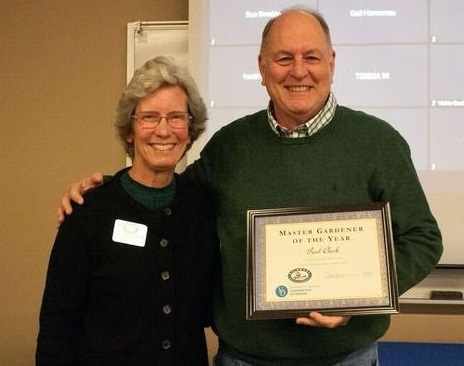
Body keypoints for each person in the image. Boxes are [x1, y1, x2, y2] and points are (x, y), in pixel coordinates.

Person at [57, 7, 443, 366]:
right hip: (244, 359)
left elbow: (422, 238)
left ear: (331, 63)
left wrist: (360, 300)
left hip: (346, 359)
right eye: (283, 58)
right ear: (262, 67)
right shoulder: (231, 145)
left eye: (311, 57)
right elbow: (167, 195)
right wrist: (109, 191)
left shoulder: (377, 142)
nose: (298, 71)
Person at [37, 56, 220, 365]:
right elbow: (58, 327)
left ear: (189, 130)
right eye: (149, 117)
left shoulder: (201, 209)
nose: (164, 130)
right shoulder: (88, 211)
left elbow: (209, 307)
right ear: (130, 130)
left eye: (176, 117)